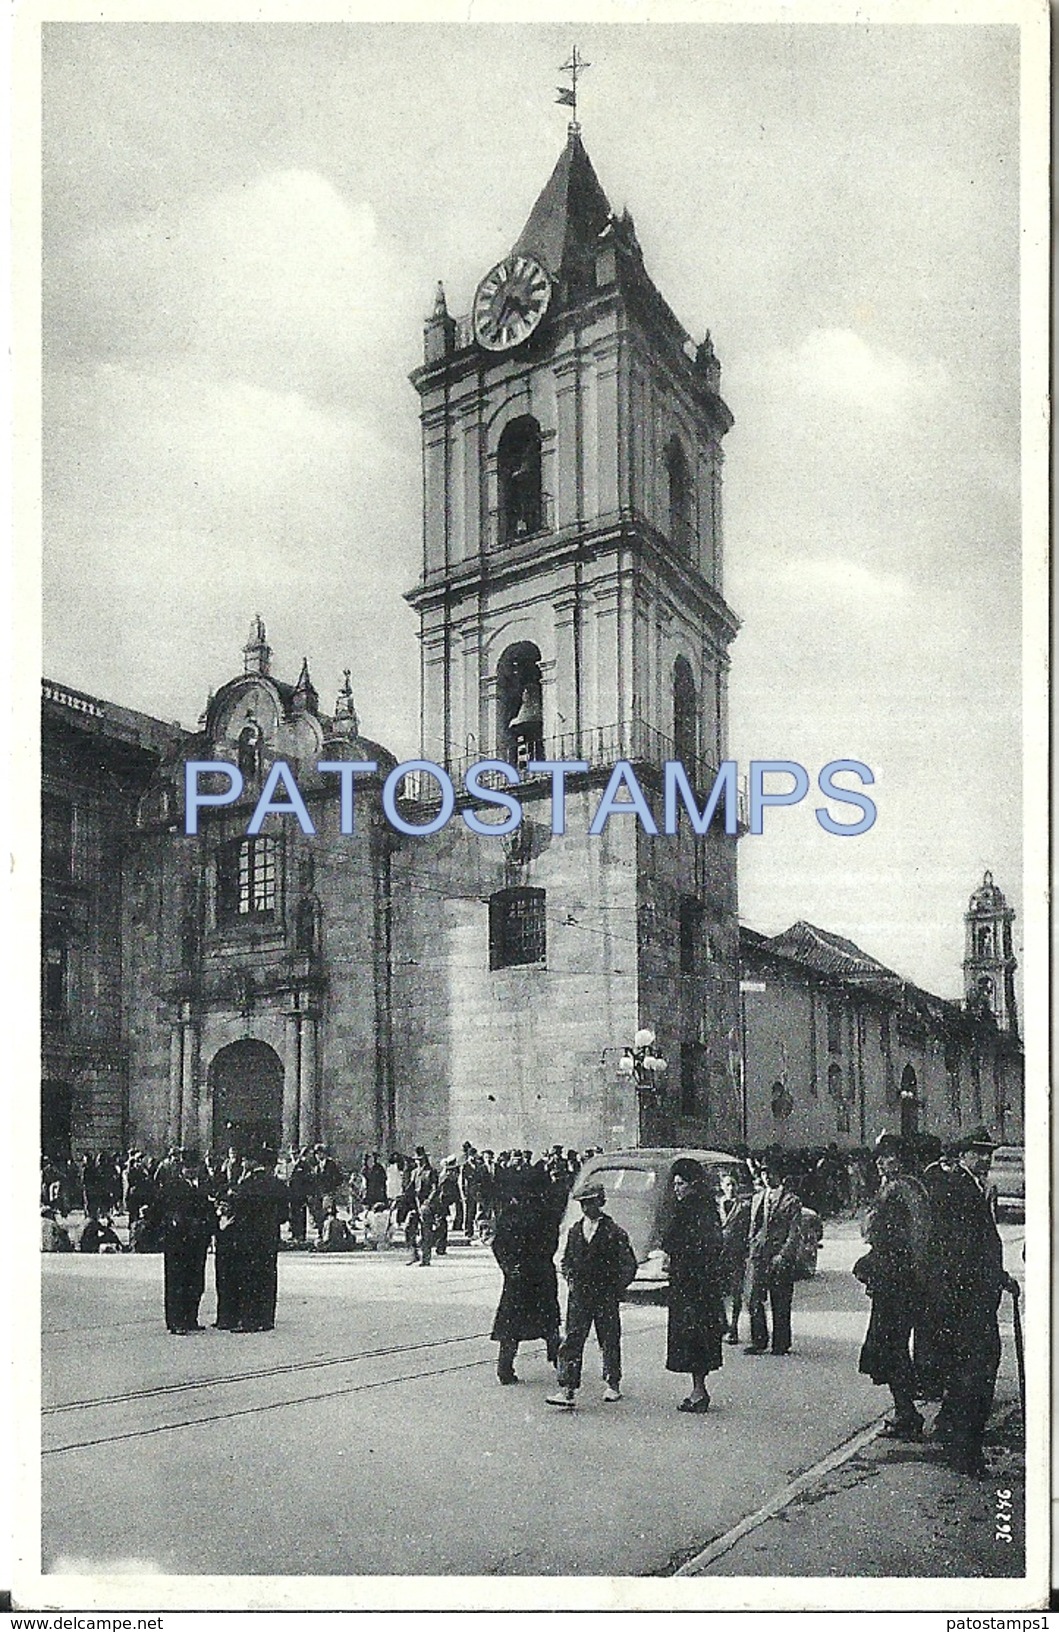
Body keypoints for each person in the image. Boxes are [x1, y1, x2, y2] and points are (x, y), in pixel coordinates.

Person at [926, 1125, 1016, 1475]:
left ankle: (956, 1440)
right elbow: (959, 1252)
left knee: (971, 1375)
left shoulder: (973, 1186)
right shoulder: (956, 1188)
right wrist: (989, 1280)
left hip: (976, 1298)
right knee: (976, 1376)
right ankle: (966, 1454)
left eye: (989, 1153)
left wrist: (1001, 1278)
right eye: (978, 1152)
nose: (985, 1159)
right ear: (962, 1154)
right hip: (967, 1302)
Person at [853, 1134, 931, 1440]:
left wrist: (904, 1270)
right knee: (890, 1346)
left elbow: (917, 1236)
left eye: (886, 1157)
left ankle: (907, 1413)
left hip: (899, 1281)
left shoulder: (905, 1189)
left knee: (891, 1345)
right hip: (893, 1278)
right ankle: (905, 1410)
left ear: (899, 1159)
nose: (879, 1162)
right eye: (879, 1157)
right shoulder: (895, 1188)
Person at [546, 1181, 638, 1409]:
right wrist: (570, 1278)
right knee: (572, 1340)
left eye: (591, 1203)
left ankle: (612, 1383)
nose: (587, 1208)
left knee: (609, 1339)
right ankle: (567, 1388)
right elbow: (566, 1261)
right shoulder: (575, 1231)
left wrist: (616, 1288)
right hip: (579, 1296)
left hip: (605, 1296)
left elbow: (628, 1265)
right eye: (583, 1204)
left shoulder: (614, 1232)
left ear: (601, 1202)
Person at [662, 1158, 725, 1413]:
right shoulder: (706, 1207)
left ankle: (699, 1392)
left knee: (693, 1338)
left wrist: (673, 1257)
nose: (677, 1189)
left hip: (691, 1287)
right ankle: (698, 1389)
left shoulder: (689, 1209)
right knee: (699, 1338)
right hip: (701, 1286)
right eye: (675, 1184)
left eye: (681, 1184)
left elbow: (676, 1242)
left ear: (692, 1185)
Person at [490, 1173, 561, 1384]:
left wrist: (509, 1267)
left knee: (511, 1326)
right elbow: (552, 1244)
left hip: (518, 1278)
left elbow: (498, 1245)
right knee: (549, 1323)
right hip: (540, 1275)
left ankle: (505, 1368)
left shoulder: (510, 1214)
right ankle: (560, 1363)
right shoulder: (548, 1214)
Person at [744, 1152, 802, 1356]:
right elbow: (753, 1226)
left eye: (772, 1173)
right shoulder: (758, 1197)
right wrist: (751, 1248)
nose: (767, 1177)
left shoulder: (791, 1201)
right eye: (764, 1173)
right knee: (753, 1299)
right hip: (758, 1255)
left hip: (778, 1257)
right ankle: (759, 1340)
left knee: (780, 1301)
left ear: (780, 1176)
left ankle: (781, 1343)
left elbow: (795, 1233)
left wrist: (783, 1255)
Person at [227, 1148, 290, 1331]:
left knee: (248, 1277)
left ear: (254, 1162)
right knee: (268, 1275)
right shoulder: (276, 1184)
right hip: (270, 1236)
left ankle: (249, 1319)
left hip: (248, 1237)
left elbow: (238, 1211)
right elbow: (284, 1215)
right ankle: (266, 1318)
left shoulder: (248, 1183)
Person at [160, 1154, 215, 1333]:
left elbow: (207, 1210)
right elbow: (164, 1210)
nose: (191, 1170)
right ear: (181, 1169)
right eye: (187, 1167)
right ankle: (176, 1321)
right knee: (177, 1282)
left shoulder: (203, 1185)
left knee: (195, 1281)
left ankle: (191, 1318)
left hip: (197, 1241)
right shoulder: (173, 1186)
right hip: (178, 1242)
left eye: (194, 1167)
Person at [718, 1169, 752, 1345]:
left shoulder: (744, 1207)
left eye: (733, 1184)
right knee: (718, 1291)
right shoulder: (717, 1205)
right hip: (719, 1254)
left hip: (736, 1254)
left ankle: (734, 1327)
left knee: (735, 1291)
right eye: (727, 1185)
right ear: (722, 1187)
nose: (731, 1188)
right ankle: (723, 1325)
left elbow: (748, 1230)